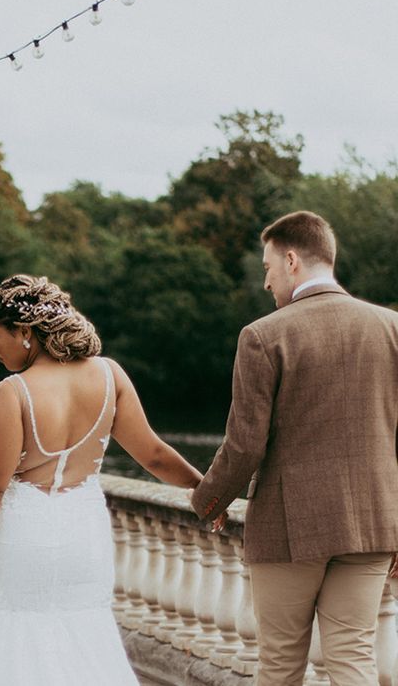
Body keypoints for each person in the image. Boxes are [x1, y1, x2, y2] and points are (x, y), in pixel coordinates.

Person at [0, 274, 203, 685]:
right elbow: (155, 455)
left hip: (25, 542)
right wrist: (209, 490)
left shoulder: (11, 393)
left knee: (18, 641)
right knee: (83, 638)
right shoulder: (110, 376)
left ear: (24, 333)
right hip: (84, 538)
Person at [191, 211, 398, 686]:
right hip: (372, 522)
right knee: (353, 659)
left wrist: (208, 500)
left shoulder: (264, 335)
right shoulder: (392, 329)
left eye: (266, 268)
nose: (266, 282)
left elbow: (244, 446)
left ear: (290, 260)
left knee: (281, 665)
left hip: (290, 529)